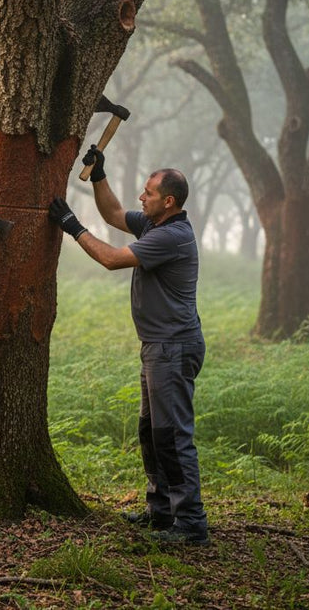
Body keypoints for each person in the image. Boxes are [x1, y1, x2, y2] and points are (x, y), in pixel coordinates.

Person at [48, 145, 209, 546]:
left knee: (172, 435)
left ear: (168, 201)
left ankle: (190, 523)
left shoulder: (171, 236)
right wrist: (99, 176)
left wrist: (72, 226)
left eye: (148, 193)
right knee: (151, 431)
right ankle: (161, 511)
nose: (141, 198)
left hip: (172, 347)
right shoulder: (155, 225)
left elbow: (112, 258)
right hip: (157, 346)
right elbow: (115, 215)